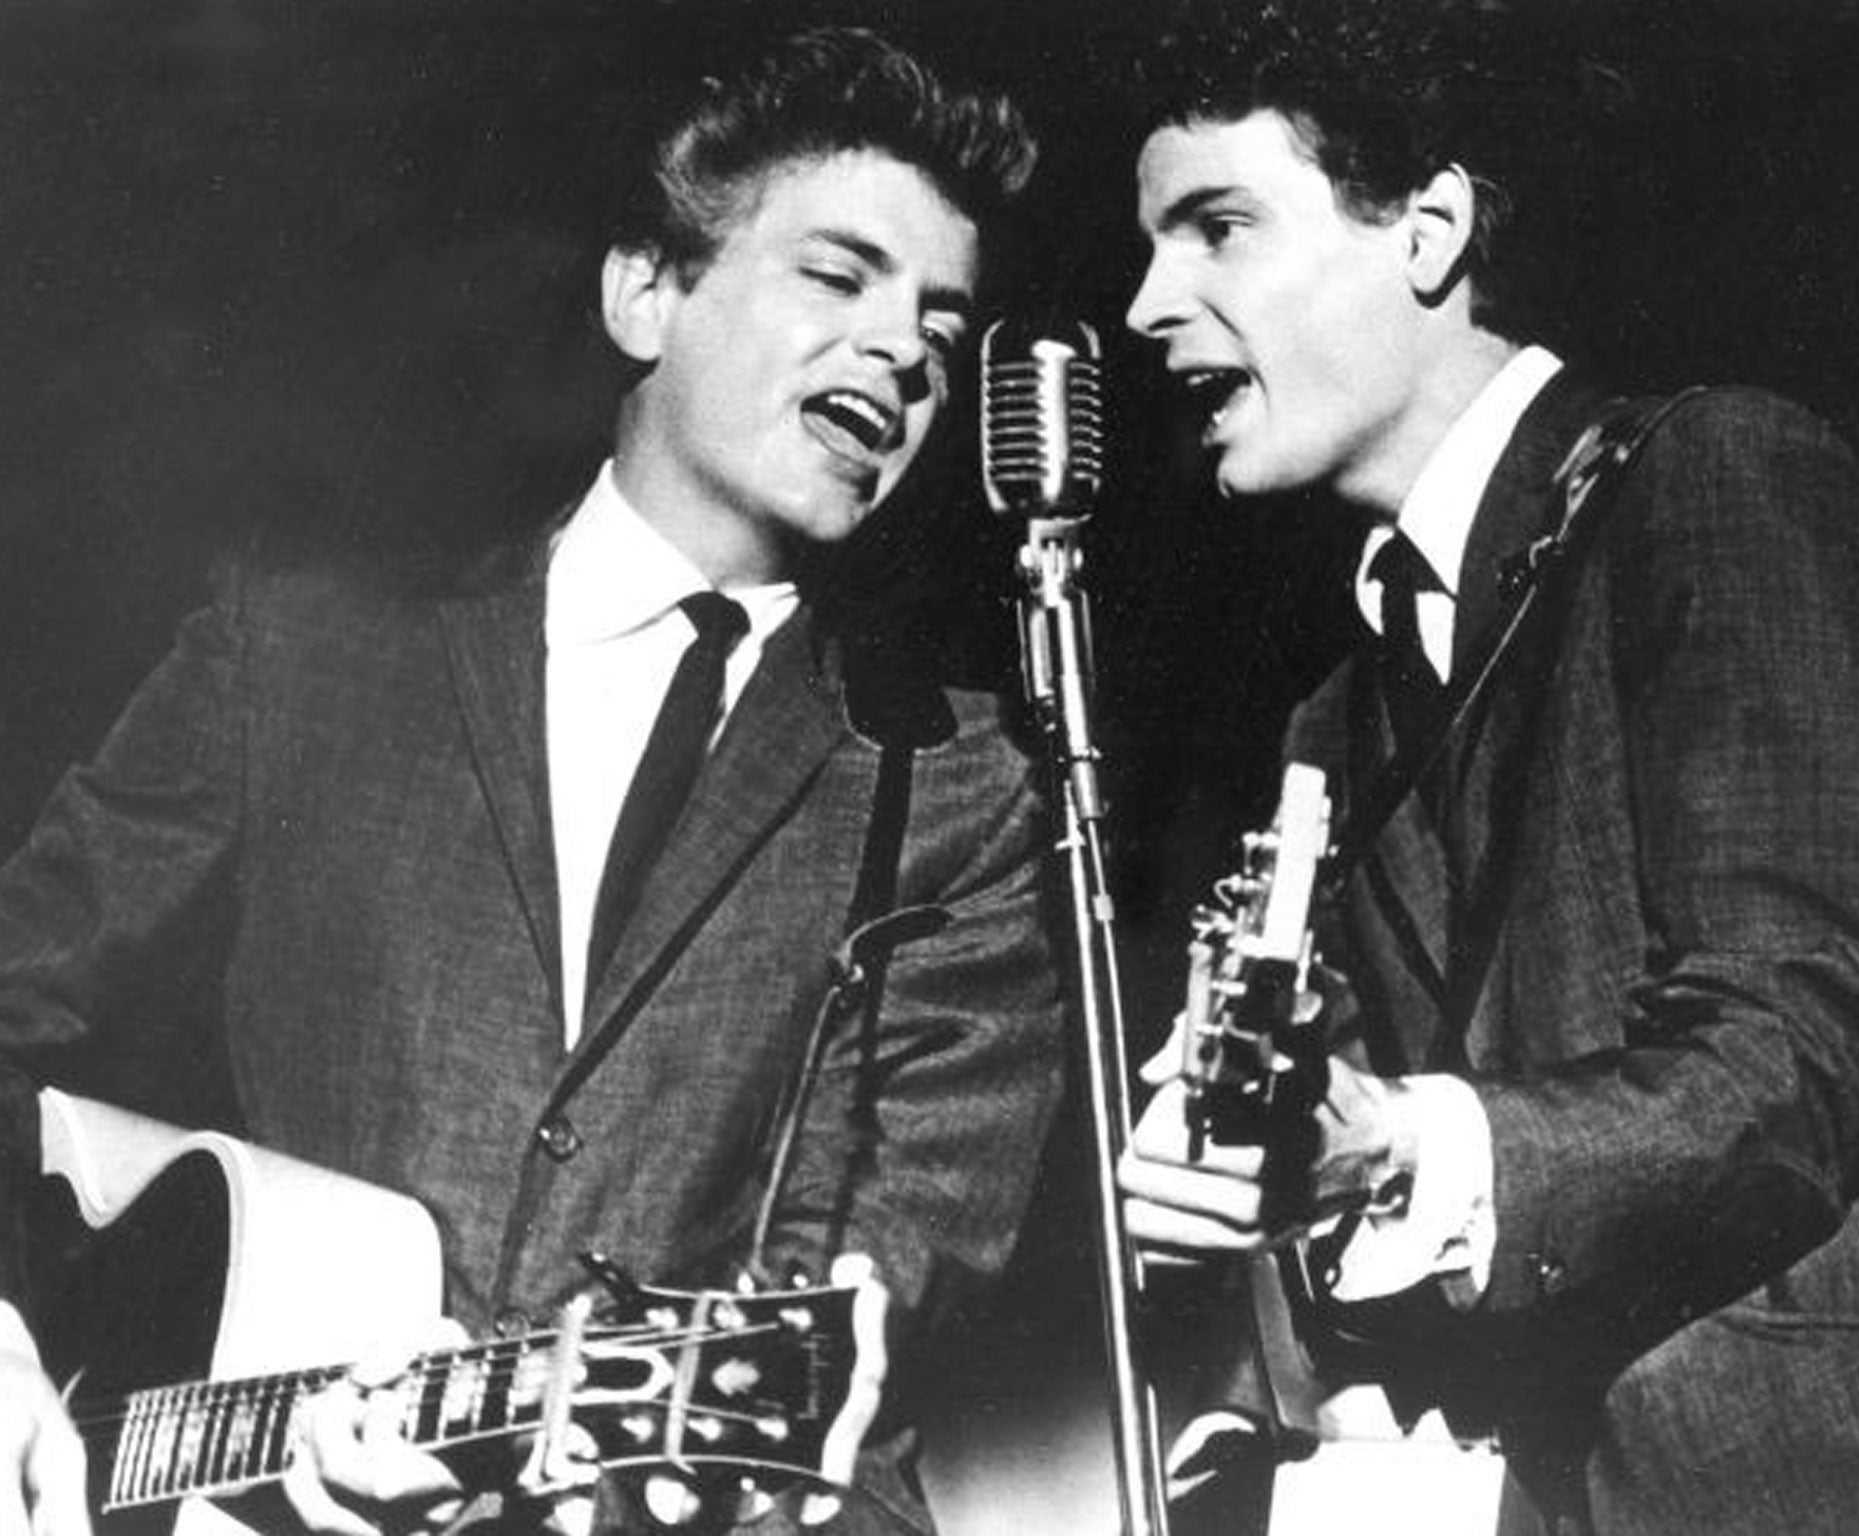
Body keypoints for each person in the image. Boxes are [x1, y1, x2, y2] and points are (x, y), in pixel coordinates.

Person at [0, 24, 1063, 1536]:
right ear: (646, 293)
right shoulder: (303, 641)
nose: (902, 354)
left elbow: (880, 1273)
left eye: (943, 338)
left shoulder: (967, 790)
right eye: (838, 278)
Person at [1112, 1, 1859, 1531]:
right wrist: (1274, 1206)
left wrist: (1392, 1144)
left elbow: (1794, 1050)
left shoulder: (1720, 476)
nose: (1151, 304)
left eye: (1219, 227)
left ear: (1430, 233)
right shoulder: (1327, 728)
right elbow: (1393, 1176)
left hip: (1856, 1476)